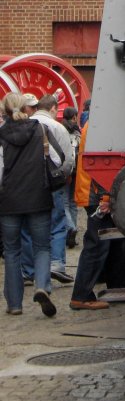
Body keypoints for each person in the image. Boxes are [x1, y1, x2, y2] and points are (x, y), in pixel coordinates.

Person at [0, 91, 65, 317]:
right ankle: (42, 286)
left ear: (5, 110)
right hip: (38, 196)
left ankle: (15, 304)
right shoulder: (40, 129)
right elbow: (58, 158)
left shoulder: (1, 134)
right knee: (42, 247)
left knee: (11, 251)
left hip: (9, 200)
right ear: (27, 108)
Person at [70, 120, 125, 310]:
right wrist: (105, 196)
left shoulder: (95, 122)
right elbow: (101, 162)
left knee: (113, 243)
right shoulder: (100, 124)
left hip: (95, 194)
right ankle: (81, 295)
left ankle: (116, 288)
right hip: (97, 196)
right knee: (97, 246)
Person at [23, 94, 75, 283]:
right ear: (53, 108)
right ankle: (57, 264)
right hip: (52, 183)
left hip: (28, 184)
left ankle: (28, 270)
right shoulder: (58, 127)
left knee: (28, 228)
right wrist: (63, 176)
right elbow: (67, 159)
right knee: (57, 225)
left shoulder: (26, 125)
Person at [61, 107, 82, 247]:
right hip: (77, 170)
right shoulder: (78, 132)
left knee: (64, 203)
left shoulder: (61, 130)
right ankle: (72, 232)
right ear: (74, 117)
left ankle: (70, 228)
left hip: (66, 170)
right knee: (73, 203)